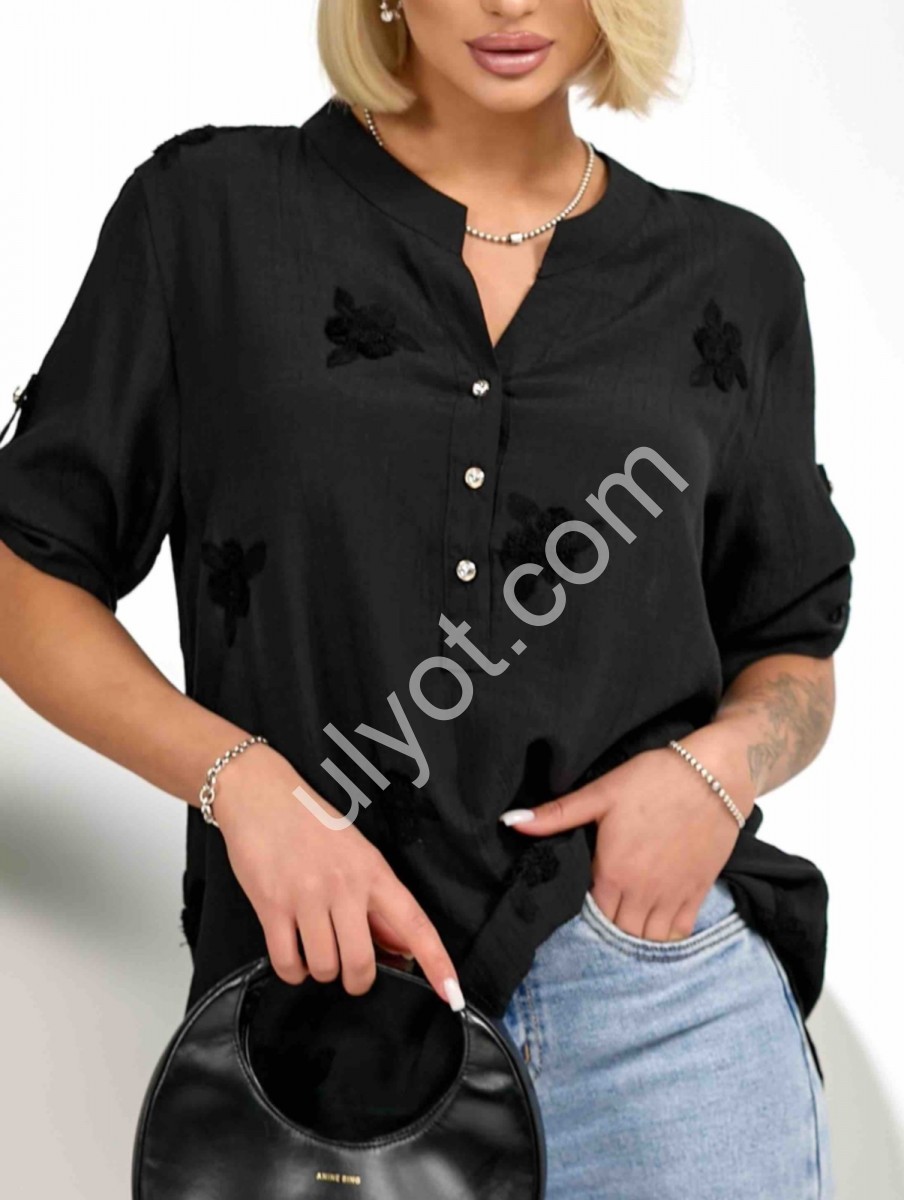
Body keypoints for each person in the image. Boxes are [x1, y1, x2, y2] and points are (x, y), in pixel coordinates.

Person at [0, 1, 854, 1196]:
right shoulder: (209, 216)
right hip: (329, 1015)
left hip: (663, 1002)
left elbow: (794, 650)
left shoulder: (732, 275)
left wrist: (717, 772)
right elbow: (27, 570)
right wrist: (243, 785)